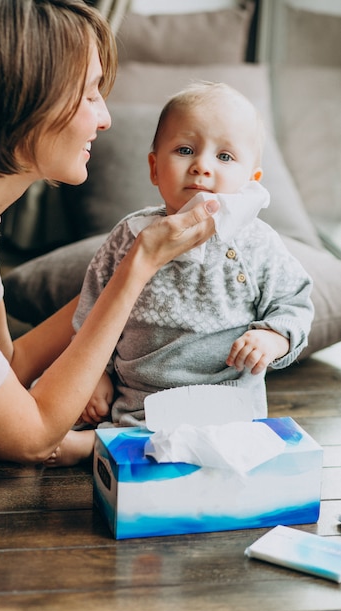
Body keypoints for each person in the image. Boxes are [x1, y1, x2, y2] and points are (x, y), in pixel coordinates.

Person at [0, 0, 220, 491]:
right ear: (20, 101)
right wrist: (137, 267)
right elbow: (35, 434)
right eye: (88, 96)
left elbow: (8, 366)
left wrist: (125, 272)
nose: (104, 119)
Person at [50, 80, 314, 464]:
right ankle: (104, 443)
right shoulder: (131, 237)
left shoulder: (258, 244)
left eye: (225, 157)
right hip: (140, 398)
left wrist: (274, 340)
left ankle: (93, 449)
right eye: (185, 150)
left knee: (230, 448)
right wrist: (97, 376)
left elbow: (295, 304)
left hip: (226, 401)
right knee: (138, 436)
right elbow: (94, 312)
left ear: (250, 181)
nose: (202, 166)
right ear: (155, 168)